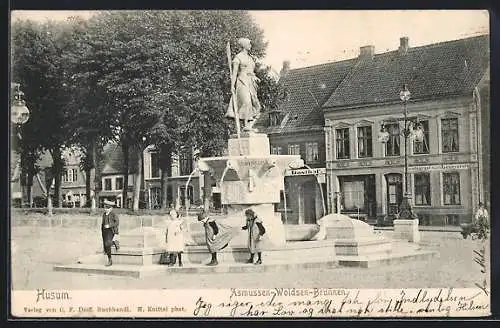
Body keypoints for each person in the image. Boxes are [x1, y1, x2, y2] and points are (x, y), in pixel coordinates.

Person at [225, 37, 262, 131]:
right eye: (249, 44)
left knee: (257, 106)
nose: (250, 45)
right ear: (244, 45)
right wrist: (232, 86)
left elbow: (252, 71)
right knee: (247, 102)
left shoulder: (250, 58)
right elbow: (234, 73)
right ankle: (246, 125)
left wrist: (255, 77)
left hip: (251, 82)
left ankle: (249, 125)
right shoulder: (238, 57)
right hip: (242, 81)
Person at [101, 200, 119, 266]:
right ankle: (114, 242)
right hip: (104, 231)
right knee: (106, 245)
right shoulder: (104, 214)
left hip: (111, 230)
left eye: (108, 208)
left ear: (111, 208)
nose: (106, 209)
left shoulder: (113, 214)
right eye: (105, 208)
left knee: (107, 244)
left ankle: (110, 260)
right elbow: (103, 223)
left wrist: (109, 225)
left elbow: (117, 222)